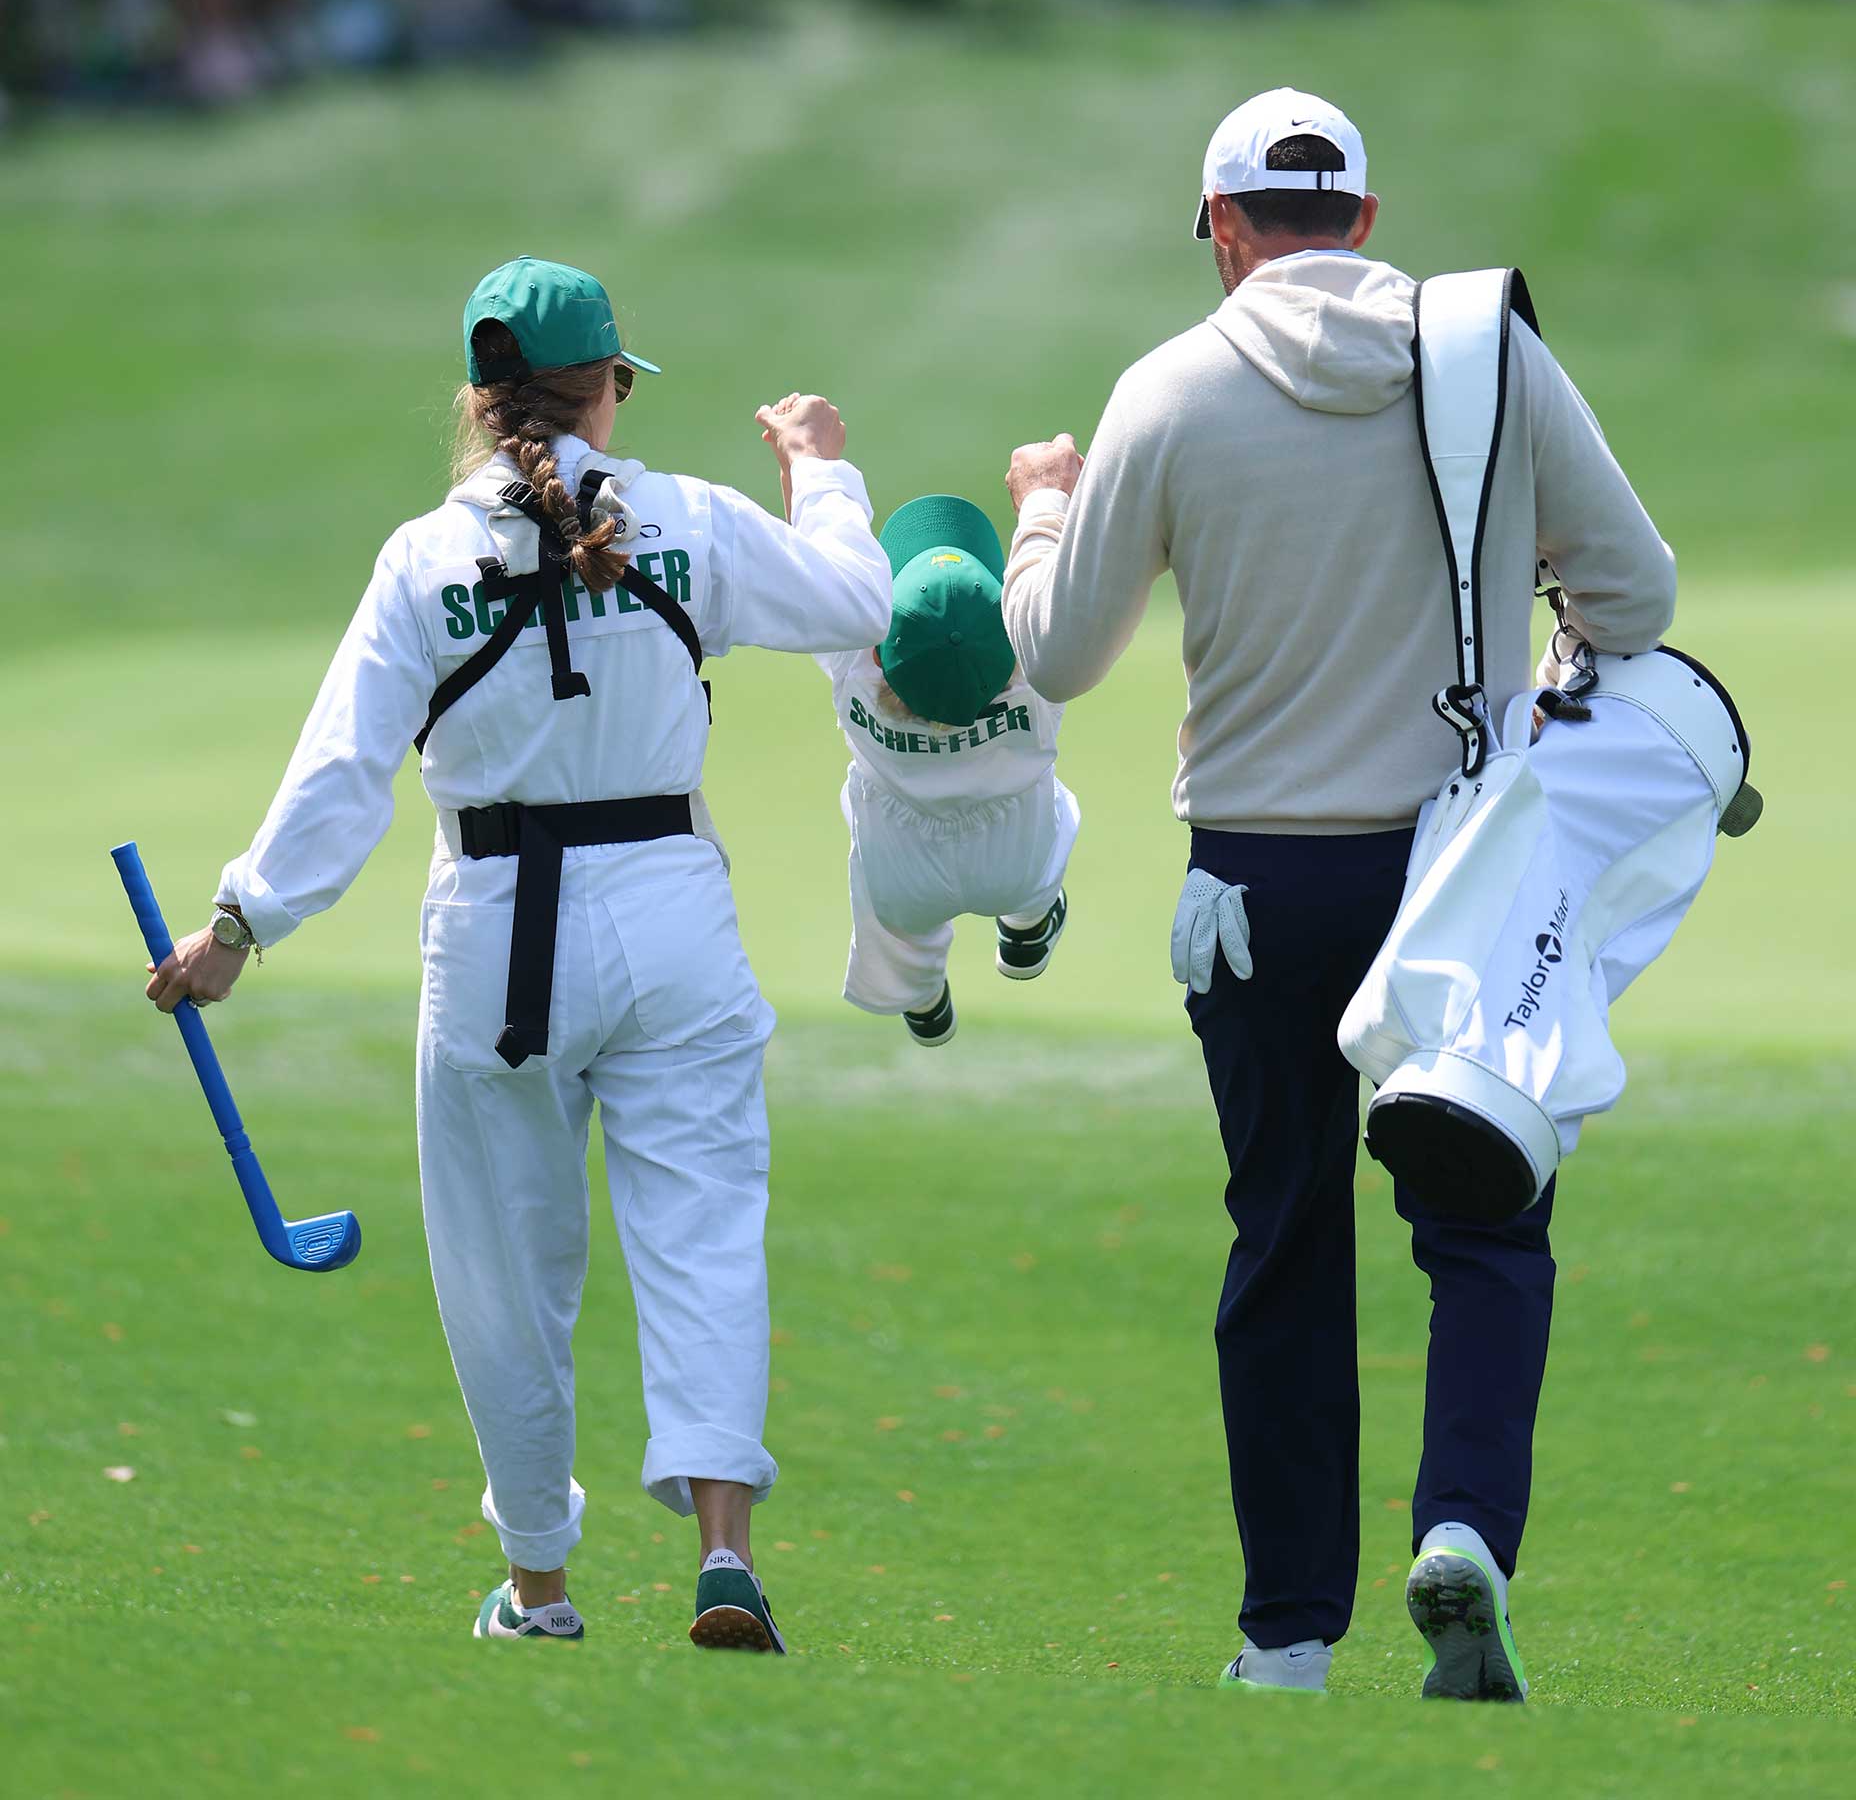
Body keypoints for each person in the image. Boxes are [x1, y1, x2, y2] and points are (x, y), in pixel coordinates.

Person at [998, 90, 1677, 1698]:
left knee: (1287, 1240)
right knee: (1489, 1226)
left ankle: (1288, 1638)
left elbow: (1057, 652)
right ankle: (1464, 1536)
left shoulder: (1166, 385)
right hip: (1462, 874)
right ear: (1364, 220)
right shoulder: (1485, 356)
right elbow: (1636, 593)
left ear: (1222, 225)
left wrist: (1042, 500)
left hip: (1253, 887)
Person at [144, 256, 893, 1650]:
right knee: (707, 1236)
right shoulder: (690, 519)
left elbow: (342, 767)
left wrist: (240, 925)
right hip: (674, 910)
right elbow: (860, 601)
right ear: (605, 390)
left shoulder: (426, 556)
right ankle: (726, 1552)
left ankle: (541, 1586)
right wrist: (823, 470)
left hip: (495, 931)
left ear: (482, 407)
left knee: (503, 1271)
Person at [812, 494, 1078, 1046]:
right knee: (1051, 804)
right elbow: (1058, 591)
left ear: (881, 653)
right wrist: (1046, 500)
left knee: (878, 883)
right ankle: (1029, 924)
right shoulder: (1037, 676)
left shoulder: (854, 671)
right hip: (1018, 865)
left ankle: (919, 993)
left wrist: (806, 464)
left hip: (902, 886)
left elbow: (823, 568)